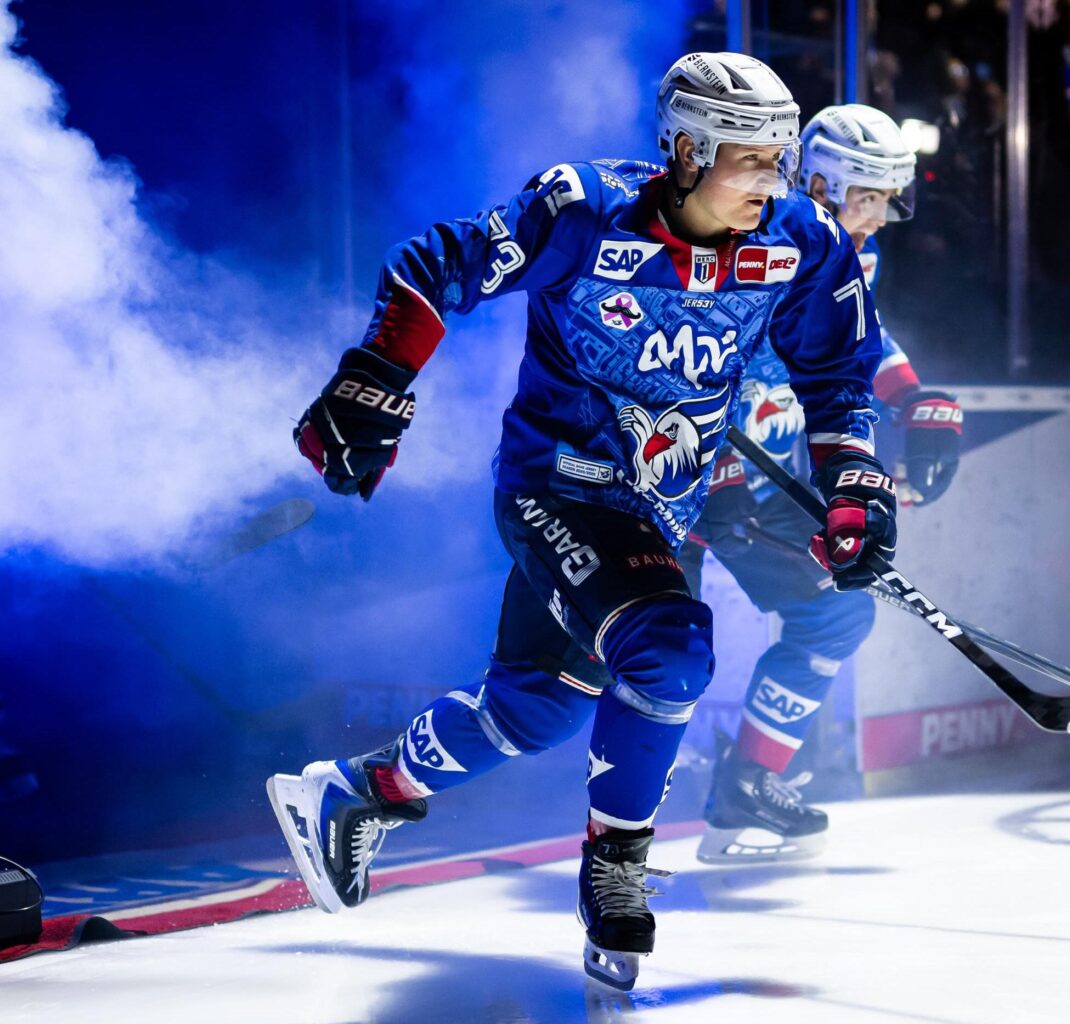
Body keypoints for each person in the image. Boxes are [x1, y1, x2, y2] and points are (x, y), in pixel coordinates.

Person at [265, 52, 897, 991]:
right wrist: (375, 378)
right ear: (686, 150)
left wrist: (857, 486)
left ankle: (360, 792)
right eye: (752, 161)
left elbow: (838, 376)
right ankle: (615, 871)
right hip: (557, 490)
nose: (774, 183)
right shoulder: (583, 209)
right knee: (672, 650)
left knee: (538, 708)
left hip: (660, 511)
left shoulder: (805, 240)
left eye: (781, 160)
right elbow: (438, 265)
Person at [682, 104, 963, 864]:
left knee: (835, 614)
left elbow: (859, 339)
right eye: (867, 197)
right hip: (674, 472)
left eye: (888, 200)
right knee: (644, 657)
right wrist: (718, 465)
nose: (878, 218)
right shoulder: (750, 238)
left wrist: (914, 398)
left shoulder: (854, 252)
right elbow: (690, 350)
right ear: (819, 183)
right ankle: (603, 829)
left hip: (762, 471)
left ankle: (746, 783)